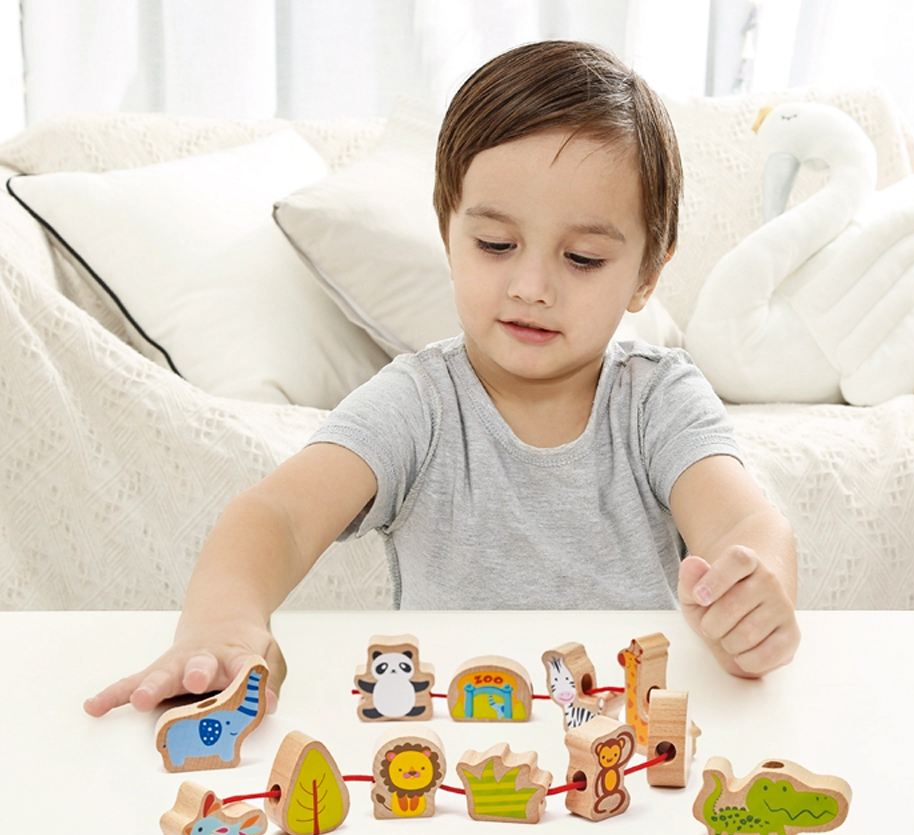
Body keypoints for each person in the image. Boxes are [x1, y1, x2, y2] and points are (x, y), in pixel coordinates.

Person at [84, 40, 799, 719]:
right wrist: (222, 622)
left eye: (582, 258)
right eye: (496, 244)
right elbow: (280, 515)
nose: (531, 286)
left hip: (620, 748)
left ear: (646, 273)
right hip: (449, 749)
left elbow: (744, 524)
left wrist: (753, 597)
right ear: (448, 236)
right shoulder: (419, 403)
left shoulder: (658, 400)